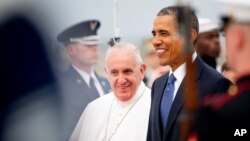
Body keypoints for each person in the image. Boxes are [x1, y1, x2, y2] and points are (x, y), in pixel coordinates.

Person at [147, 5, 231, 141]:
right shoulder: (158, 85)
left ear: (190, 36)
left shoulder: (216, 84)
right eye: (154, 34)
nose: (155, 41)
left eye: (164, 33)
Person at [192, 0, 250, 140]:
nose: (217, 41)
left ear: (237, 37)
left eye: (222, 35)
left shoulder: (218, 113)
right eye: (209, 37)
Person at [70, 42, 151, 141]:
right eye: (114, 73)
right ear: (107, 73)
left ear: (141, 70)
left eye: (127, 71)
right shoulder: (93, 108)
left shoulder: (156, 107)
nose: (121, 80)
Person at [56, 19, 111, 140]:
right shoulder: (62, 86)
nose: (95, 48)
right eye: (88, 45)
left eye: (96, 44)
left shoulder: (107, 83)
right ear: (71, 50)